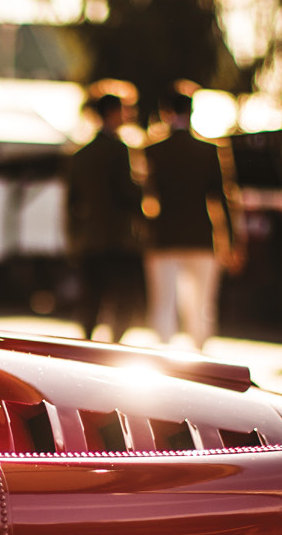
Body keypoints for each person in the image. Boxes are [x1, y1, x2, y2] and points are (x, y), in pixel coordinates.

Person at [140, 86, 243, 349]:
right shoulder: (209, 150)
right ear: (192, 111)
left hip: (163, 236)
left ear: (164, 112)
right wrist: (232, 240)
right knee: (200, 305)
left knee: (164, 304)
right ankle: (200, 358)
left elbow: (144, 195)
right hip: (201, 236)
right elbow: (223, 198)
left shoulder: (153, 150)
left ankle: (164, 358)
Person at [65, 92, 146, 341]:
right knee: (123, 297)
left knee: (92, 296)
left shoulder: (80, 155)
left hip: (90, 238)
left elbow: (71, 203)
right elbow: (128, 194)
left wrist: (75, 237)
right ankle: (115, 343)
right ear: (113, 112)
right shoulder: (120, 150)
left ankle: (88, 340)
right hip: (118, 238)